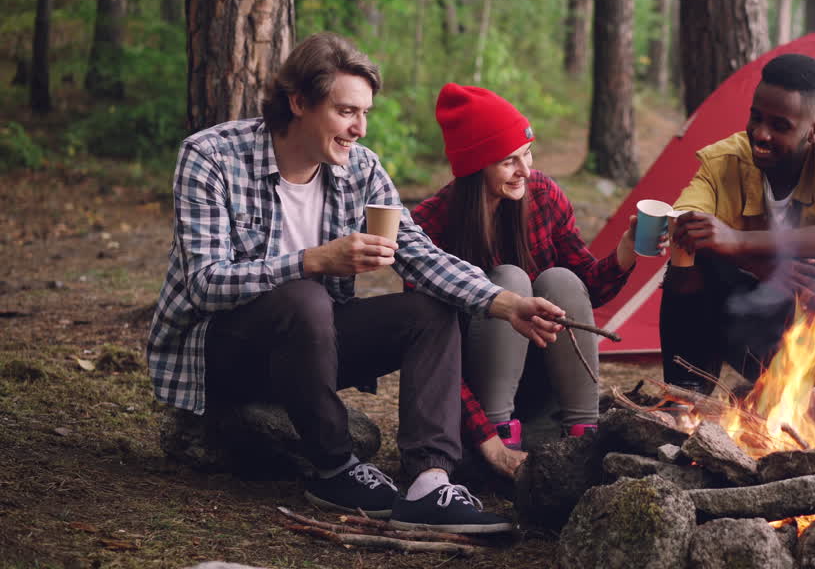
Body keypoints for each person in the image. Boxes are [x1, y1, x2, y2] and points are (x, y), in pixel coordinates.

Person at [146, 33, 566, 533]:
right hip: (224, 354)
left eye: (365, 113)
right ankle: (334, 467)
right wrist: (314, 260)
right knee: (304, 295)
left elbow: (418, 254)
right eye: (347, 111)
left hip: (310, 349)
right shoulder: (212, 156)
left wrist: (504, 302)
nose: (360, 129)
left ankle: (430, 482)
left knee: (429, 310)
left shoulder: (359, 169)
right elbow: (205, 284)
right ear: (299, 102)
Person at [413, 82, 647, 449]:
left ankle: (583, 433)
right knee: (509, 280)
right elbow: (428, 350)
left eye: (527, 153)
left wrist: (626, 252)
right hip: (471, 402)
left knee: (560, 279)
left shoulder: (542, 195)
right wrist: (484, 435)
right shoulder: (430, 224)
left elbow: (586, 290)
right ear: (475, 168)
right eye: (509, 161)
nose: (525, 169)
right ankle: (501, 439)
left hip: (540, 386)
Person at [661, 53, 815, 397]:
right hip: (754, 328)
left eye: (780, 126)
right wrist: (758, 264)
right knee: (692, 263)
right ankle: (685, 397)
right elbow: (684, 225)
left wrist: (738, 241)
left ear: (814, 131)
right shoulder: (724, 160)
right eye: (756, 117)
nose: (760, 134)